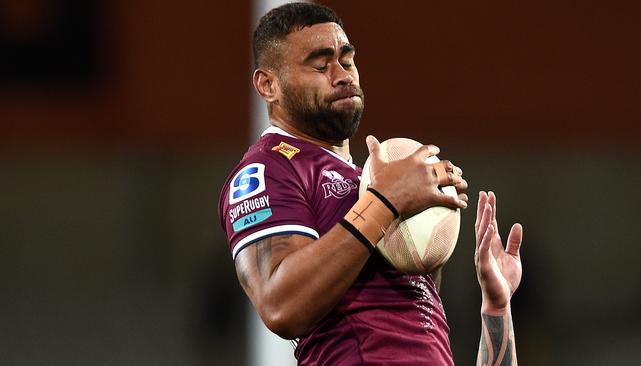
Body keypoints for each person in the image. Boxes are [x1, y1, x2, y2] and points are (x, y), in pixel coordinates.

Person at [219, 3, 523, 365]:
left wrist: (496, 305)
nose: (342, 74)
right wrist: (386, 199)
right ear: (268, 85)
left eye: (346, 61)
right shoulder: (268, 169)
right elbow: (280, 306)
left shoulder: (363, 182)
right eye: (320, 64)